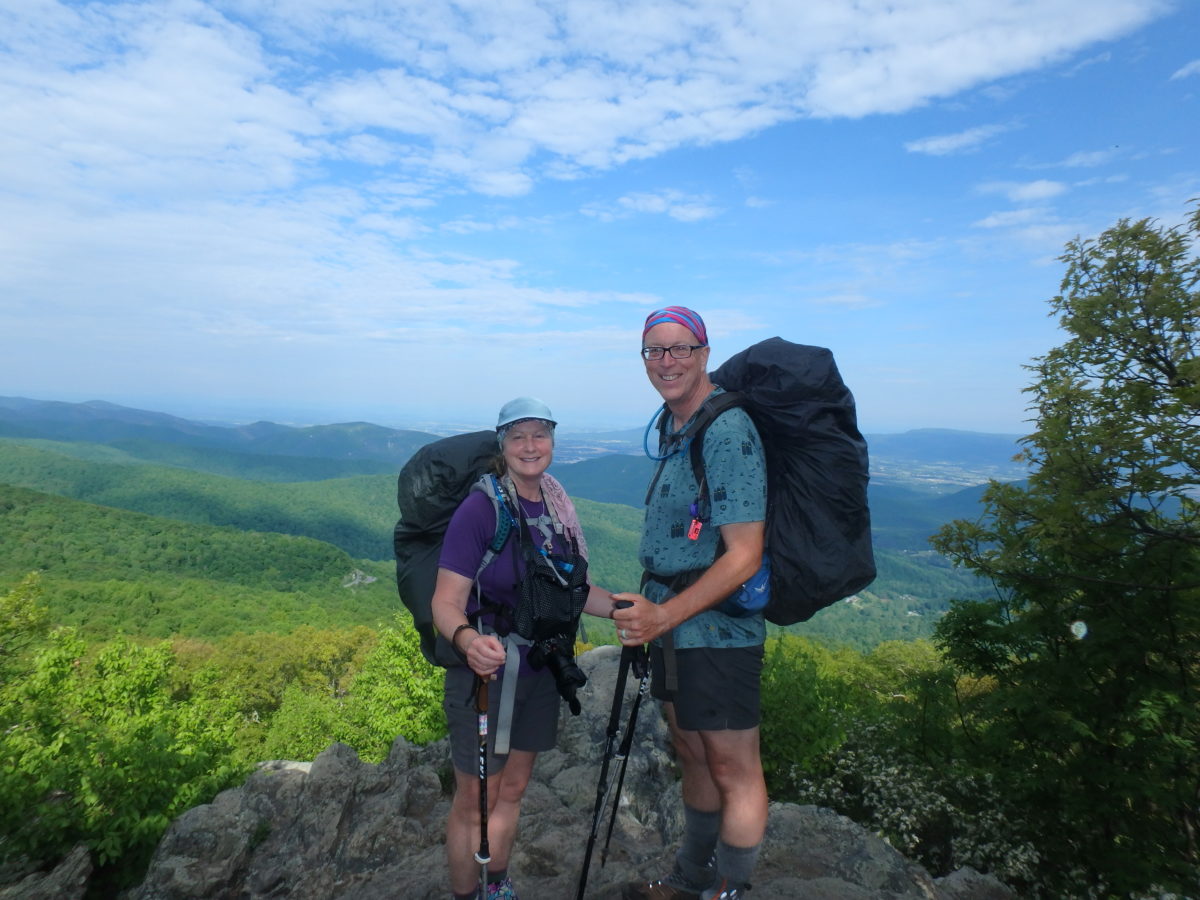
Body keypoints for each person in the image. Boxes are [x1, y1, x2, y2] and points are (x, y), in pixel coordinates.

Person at [431, 397, 617, 900]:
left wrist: (624, 608)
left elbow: (571, 589)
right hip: (486, 676)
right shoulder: (481, 509)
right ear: (502, 445)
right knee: (475, 799)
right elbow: (445, 602)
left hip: (538, 670)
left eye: (539, 435)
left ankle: (498, 884)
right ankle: (468, 895)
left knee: (511, 790)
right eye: (518, 436)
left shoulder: (555, 505)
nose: (530, 446)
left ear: (552, 441)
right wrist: (468, 641)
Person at [613, 307, 768, 900]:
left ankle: (731, 890)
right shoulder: (680, 426)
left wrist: (663, 616)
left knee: (733, 767)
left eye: (680, 349)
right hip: (674, 625)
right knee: (692, 753)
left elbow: (744, 554)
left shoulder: (728, 430)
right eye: (655, 351)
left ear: (705, 353)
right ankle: (690, 877)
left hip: (719, 631)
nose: (667, 361)